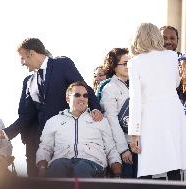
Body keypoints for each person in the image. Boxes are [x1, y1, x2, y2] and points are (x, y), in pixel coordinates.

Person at [0, 38, 102, 177]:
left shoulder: (62, 64)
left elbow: (83, 87)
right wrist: (6, 133)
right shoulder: (29, 81)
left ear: (31, 53)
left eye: (22, 58)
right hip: (39, 143)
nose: (22, 63)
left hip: (64, 141)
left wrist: (95, 108)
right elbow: (26, 115)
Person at [128, 23, 186, 180]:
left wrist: (133, 133)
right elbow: (175, 83)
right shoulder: (172, 56)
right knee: (174, 162)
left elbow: (135, 99)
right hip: (174, 112)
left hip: (150, 117)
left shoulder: (135, 62)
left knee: (149, 164)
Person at [36, 81, 121, 178]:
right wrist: (42, 169)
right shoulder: (54, 121)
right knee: (57, 166)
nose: (82, 98)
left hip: (93, 163)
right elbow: (45, 147)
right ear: (68, 98)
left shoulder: (100, 120)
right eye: (77, 95)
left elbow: (111, 149)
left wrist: (117, 173)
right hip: (62, 161)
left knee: (81, 168)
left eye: (85, 96)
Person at [100, 48, 137, 178]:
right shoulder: (109, 89)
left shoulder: (135, 84)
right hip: (125, 146)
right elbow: (112, 121)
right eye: (124, 63)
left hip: (139, 142)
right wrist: (123, 149)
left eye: (130, 62)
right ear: (114, 66)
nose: (129, 66)